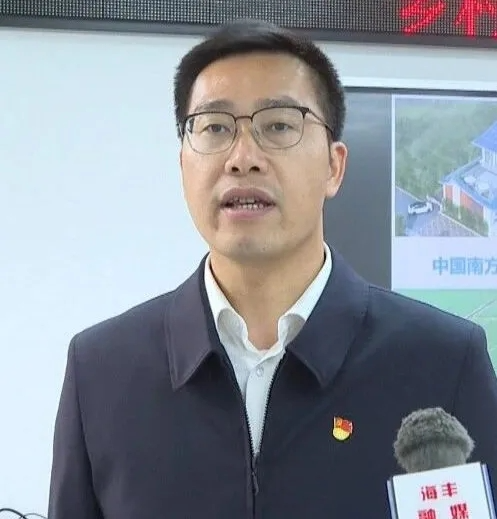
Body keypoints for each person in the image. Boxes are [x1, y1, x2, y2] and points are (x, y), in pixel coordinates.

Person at [48, 19, 497, 519]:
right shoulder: (101, 372)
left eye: (279, 125)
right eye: (215, 128)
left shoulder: (443, 364)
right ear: (183, 166)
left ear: (334, 166)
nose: (243, 158)